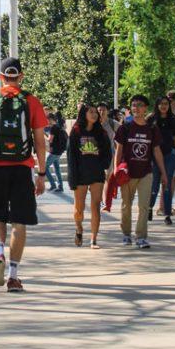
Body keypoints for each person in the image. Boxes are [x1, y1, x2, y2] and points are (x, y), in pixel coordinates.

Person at [0, 57, 48, 293]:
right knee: (19, 222)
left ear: (1, 77)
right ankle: (14, 275)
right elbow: (40, 141)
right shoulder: (32, 101)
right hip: (23, 166)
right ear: (21, 76)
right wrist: (42, 173)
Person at [113, 94, 168, 250]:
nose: (136, 108)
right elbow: (119, 150)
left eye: (140, 105)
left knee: (144, 206)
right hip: (127, 172)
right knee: (126, 205)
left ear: (146, 108)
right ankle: (126, 234)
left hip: (146, 172)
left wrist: (163, 172)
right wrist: (116, 171)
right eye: (134, 105)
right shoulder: (125, 128)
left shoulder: (152, 128)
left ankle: (141, 237)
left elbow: (157, 151)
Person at [69, 103, 111, 249]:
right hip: (80, 174)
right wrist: (72, 177)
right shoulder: (76, 131)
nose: (94, 114)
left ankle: (93, 239)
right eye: (91, 112)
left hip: (96, 174)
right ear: (84, 114)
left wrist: (104, 165)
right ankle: (79, 228)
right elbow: (71, 156)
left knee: (95, 206)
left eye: (95, 112)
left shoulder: (101, 132)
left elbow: (107, 151)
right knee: (78, 208)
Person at [149, 96, 175, 227]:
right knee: (154, 184)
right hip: (155, 156)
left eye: (166, 104)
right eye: (161, 104)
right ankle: (149, 208)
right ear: (157, 105)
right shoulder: (151, 119)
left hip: (169, 155)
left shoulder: (173, 119)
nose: (163, 106)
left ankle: (167, 214)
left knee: (167, 184)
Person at [45, 112, 67, 192]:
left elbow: (50, 139)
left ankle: (53, 185)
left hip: (54, 152)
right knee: (57, 169)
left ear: (50, 119)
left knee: (44, 168)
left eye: (47, 120)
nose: (47, 122)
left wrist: (45, 136)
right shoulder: (58, 126)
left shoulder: (54, 128)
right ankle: (60, 186)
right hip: (59, 151)